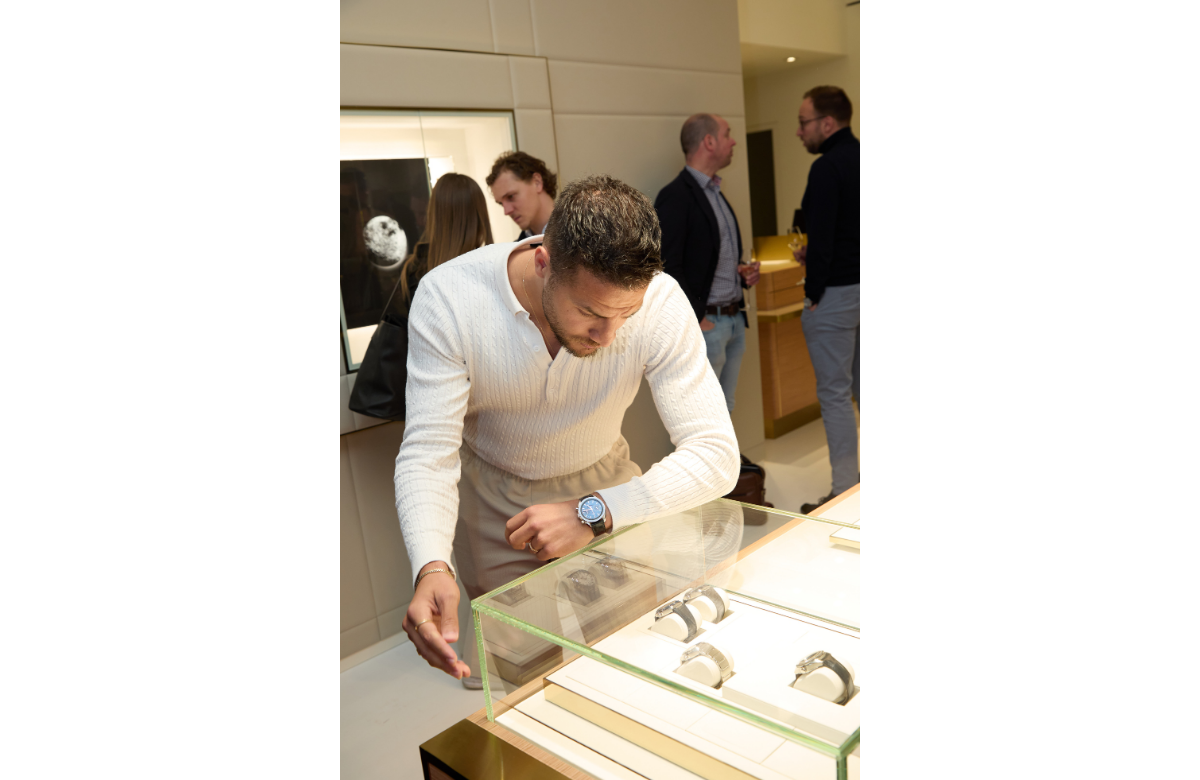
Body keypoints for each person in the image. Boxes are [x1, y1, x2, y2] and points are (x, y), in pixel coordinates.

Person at [395, 175, 739, 685]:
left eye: (626, 314)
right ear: (543, 262)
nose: (608, 335)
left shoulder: (661, 300)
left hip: (603, 481)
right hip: (494, 499)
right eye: (589, 312)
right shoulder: (449, 296)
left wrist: (594, 511)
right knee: (524, 677)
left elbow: (716, 454)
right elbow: (428, 452)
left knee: (632, 655)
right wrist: (431, 565)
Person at [654, 114, 760, 414]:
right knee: (701, 415)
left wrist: (739, 273)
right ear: (709, 142)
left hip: (734, 319)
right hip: (707, 324)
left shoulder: (714, 192)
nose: (734, 141)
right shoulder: (675, 196)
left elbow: (709, 256)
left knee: (724, 409)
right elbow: (665, 265)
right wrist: (697, 319)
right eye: (727, 134)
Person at [792, 86, 860, 514]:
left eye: (804, 123)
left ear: (827, 123)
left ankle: (844, 494)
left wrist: (813, 292)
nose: (800, 132)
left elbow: (822, 237)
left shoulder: (826, 168)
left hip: (835, 293)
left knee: (835, 395)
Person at [396, 173, 494, 315]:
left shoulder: (413, 270)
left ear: (434, 215)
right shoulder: (486, 268)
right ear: (478, 218)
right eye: (416, 214)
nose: (420, 222)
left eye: (422, 214)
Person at [485, 151, 557, 240]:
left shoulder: (574, 233)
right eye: (501, 203)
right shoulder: (515, 248)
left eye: (511, 196)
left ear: (537, 182)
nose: (506, 211)